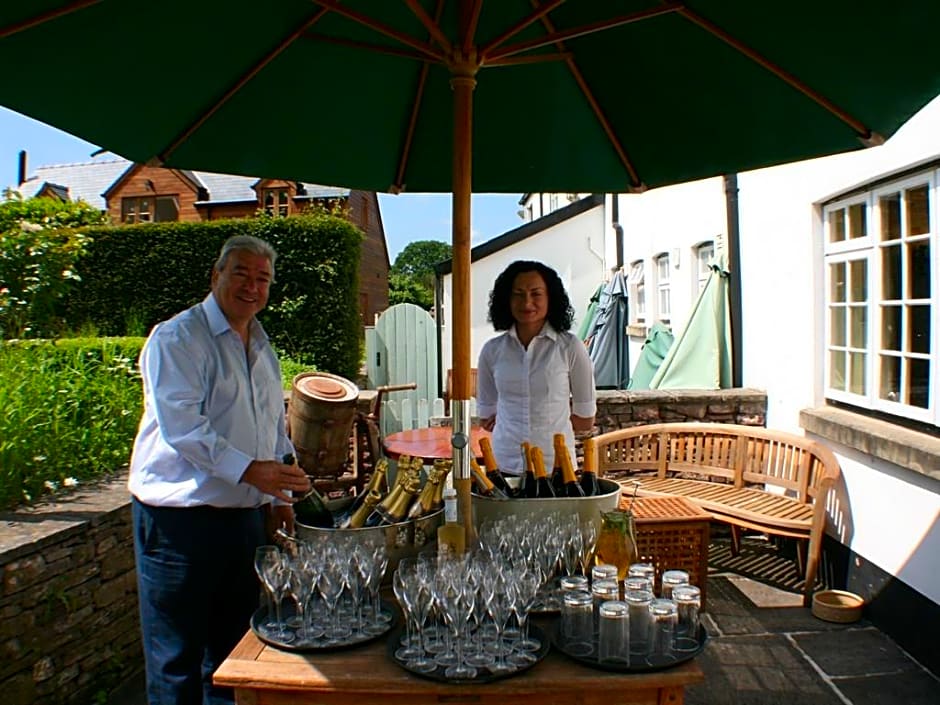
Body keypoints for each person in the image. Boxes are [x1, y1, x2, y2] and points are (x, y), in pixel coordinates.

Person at [128, 235, 311, 705]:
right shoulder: (178, 338)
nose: (252, 286)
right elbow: (184, 427)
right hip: (179, 524)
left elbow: (273, 426)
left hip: (242, 522)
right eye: (241, 274)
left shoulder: (261, 344)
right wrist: (253, 473)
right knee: (176, 664)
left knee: (232, 658)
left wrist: (277, 497)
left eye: (262, 278)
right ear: (216, 276)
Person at [476, 260, 596, 475]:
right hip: (505, 463)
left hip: (558, 466)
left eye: (536, 293)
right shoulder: (491, 351)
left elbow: (585, 419)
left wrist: (549, 426)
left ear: (551, 297)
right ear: (507, 299)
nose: (527, 302)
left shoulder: (570, 347)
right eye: (518, 294)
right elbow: (486, 417)